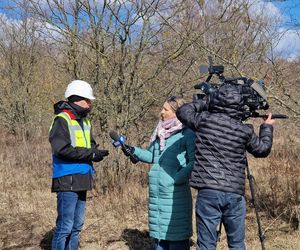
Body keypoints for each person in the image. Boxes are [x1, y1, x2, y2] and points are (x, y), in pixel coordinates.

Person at [176, 84, 275, 250]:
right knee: (236, 245)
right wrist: (267, 127)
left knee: (206, 245)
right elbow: (263, 149)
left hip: (209, 192)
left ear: (215, 101)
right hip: (234, 194)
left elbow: (183, 112)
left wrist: (205, 102)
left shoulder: (204, 121)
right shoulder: (244, 130)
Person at [120, 96, 195, 250]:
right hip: (157, 195)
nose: (161, 112)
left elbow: (194, 162)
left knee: (176, 241)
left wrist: (176, 179)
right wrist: (132, 150)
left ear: (177, 113)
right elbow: (152, 156)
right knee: (160, 241)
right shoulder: (160, 132)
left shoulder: (187, 133)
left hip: (176, 195)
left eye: (165, 109)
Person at [49, 80, 109, 250]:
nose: (90, 104)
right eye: (87, 100)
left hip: (83, 177)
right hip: (66, 179)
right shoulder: (62, 119)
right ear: (76, 99)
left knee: (77, 227)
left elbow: (88, 146)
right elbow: (62, 150)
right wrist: (91, 153)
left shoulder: (85, 121)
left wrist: (96, 153)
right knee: (65, 227)